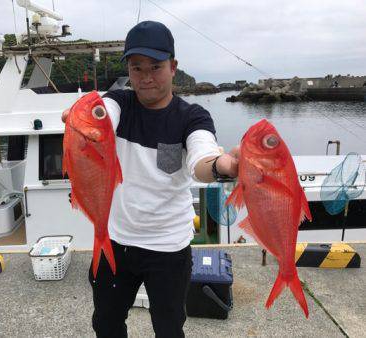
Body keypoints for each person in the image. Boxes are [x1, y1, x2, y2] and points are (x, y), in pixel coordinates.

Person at [62, 21, 239, 338]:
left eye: (155, 67)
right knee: (106, 322)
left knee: (169, 329)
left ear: (173, 67)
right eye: (136, 67)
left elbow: (201, 158)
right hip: (115, 240)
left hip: (168, 247)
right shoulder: (120, 103)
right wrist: (83, 114)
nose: (145, 77)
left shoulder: (191, 117)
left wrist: (221, 165)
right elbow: (103, 112)